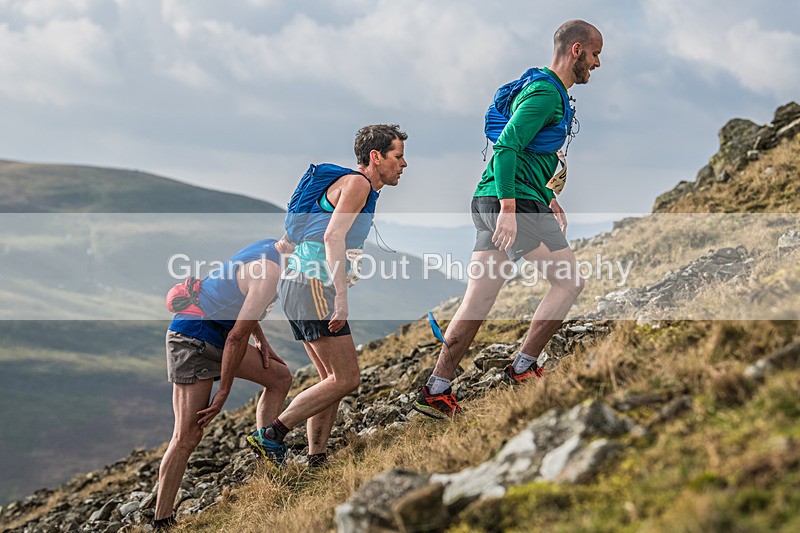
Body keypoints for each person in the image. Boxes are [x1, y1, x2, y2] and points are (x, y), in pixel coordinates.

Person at [413, 20, 603, 419]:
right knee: (569, 282)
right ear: (576, 51)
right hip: (512, 204)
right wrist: (512, 210)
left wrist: (549, 197)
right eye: (595, 53)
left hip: (493, 200)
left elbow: (533, 153)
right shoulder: (546, 94)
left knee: (477, 301)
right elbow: (506, 147)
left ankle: (436, 388)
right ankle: (524, 366)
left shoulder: (547, 91)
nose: (598, 63)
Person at [246, 124, 407, 467]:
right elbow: (334, 237)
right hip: (314, 285)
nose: (403, 164)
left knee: (330, 380)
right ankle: (272, 434)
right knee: (347, 378)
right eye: (398, 156)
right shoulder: (358, 184)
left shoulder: (355, 187)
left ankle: (316, 456)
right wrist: (341, 298)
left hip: (299, 285)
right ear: (375, 157)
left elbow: (291, 242)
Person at [153, 237, 295, 528]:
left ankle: (268, 458)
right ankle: (162, 520)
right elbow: (235, 338)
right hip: (192, 339)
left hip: (220, 335)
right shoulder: (269, 270)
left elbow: (238, 298)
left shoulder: (271, 248)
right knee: (187, 435)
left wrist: (262, 340)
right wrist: (224, 392)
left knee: (280, 377)